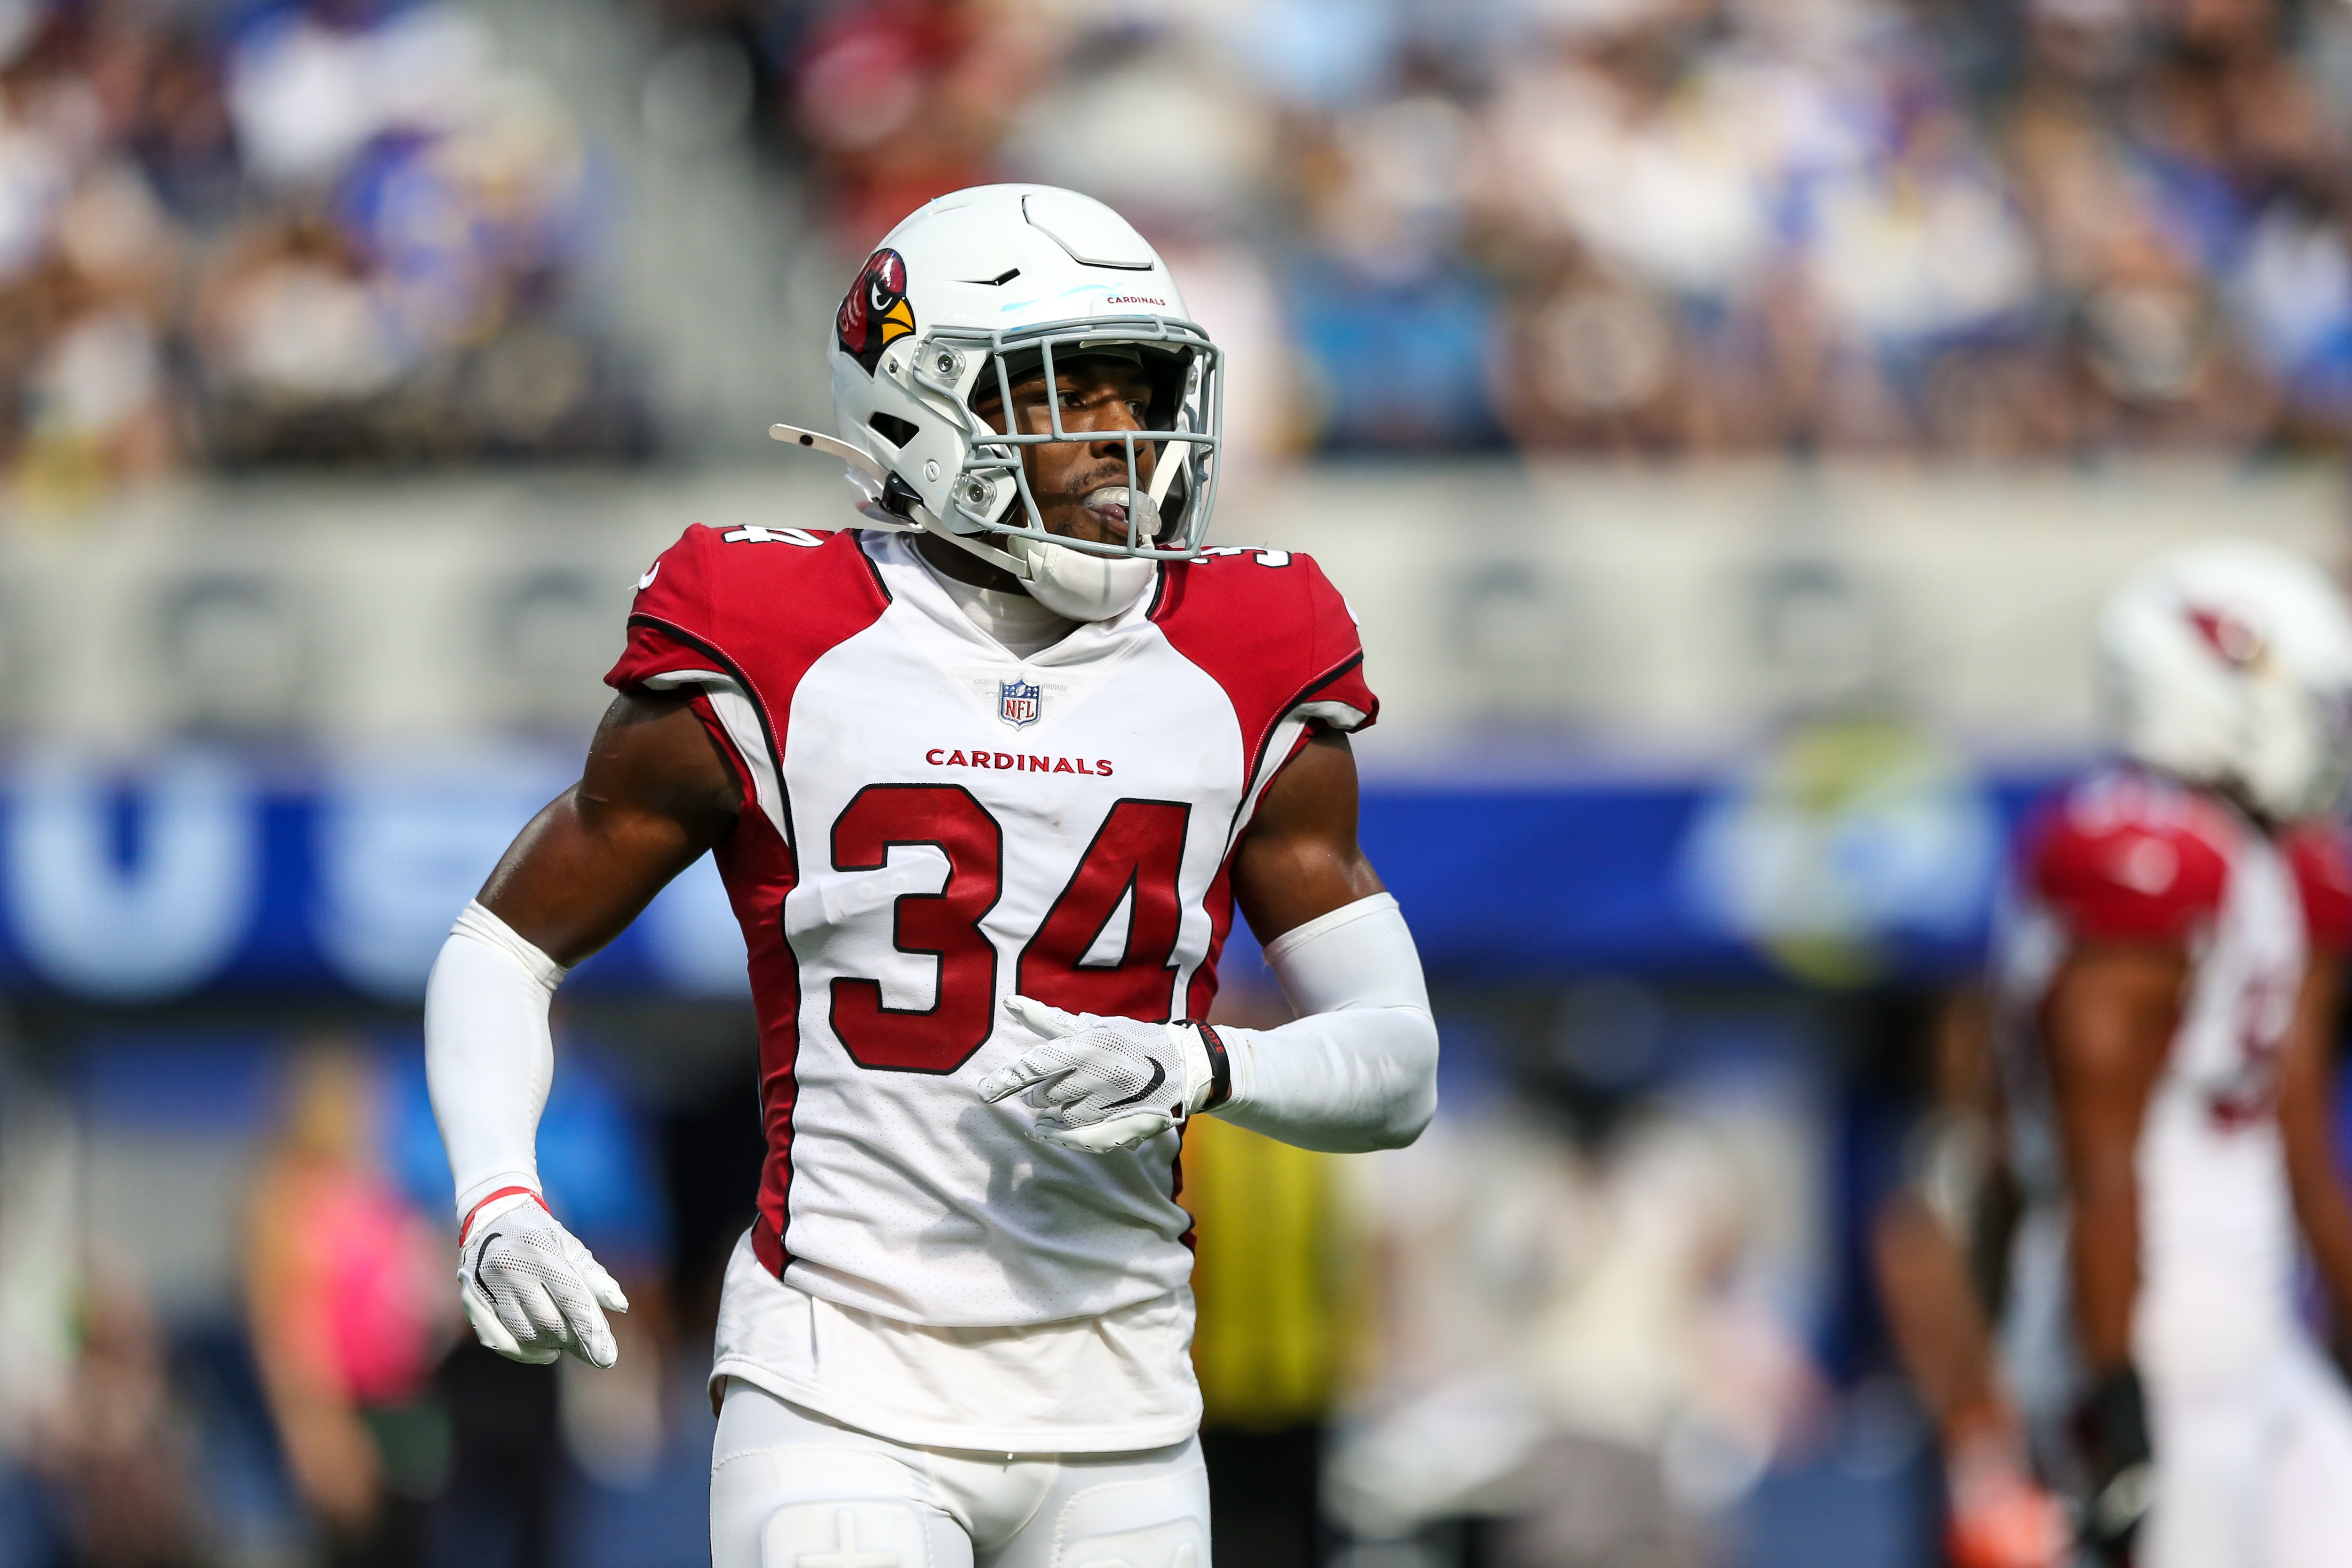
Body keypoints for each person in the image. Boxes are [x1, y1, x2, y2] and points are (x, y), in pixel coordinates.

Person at [422, 183, 1440, 1568]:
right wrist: (496, 1193)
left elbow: (1400, 1065)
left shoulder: (1251, 645)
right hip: (840, 1380)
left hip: (1129, 1400)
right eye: (1064, 393)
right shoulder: (777, 627)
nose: (1118, 443)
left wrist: (1206, 1068)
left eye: (1139, 393)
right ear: (919, 408)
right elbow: (505, 946)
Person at [1988, 538, 2352, 1568]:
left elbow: (2293, 1135)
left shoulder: (2256, 859)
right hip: (2150, 1336)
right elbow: (2097, 1157)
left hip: (2252, 1331)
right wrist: (2114, 1392)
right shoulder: (2141, 857)